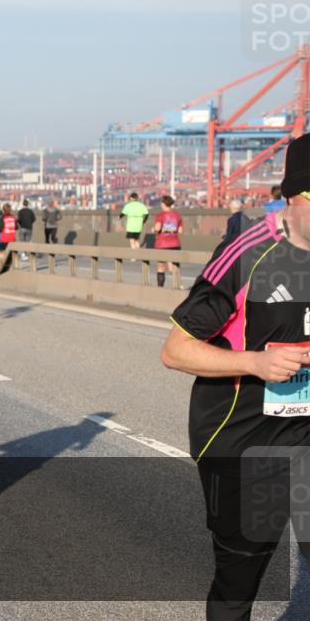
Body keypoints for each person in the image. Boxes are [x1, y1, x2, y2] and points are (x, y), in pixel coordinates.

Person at [160, 133, 310, 620]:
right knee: (239, 583)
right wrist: (255, 362)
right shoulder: (249, 252)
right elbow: (176, 351)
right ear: (292, 197)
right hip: (243, 441)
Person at [152, 195, 183, 288]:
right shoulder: (177, 215)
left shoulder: (161, 215)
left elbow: (157, 228)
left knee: (161, 267)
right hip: (175, 243)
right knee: (174, 266)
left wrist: (154, 229)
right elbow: (180, 231)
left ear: (164, 204)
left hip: (162, 244)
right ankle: (177, 285)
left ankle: (160, 287)